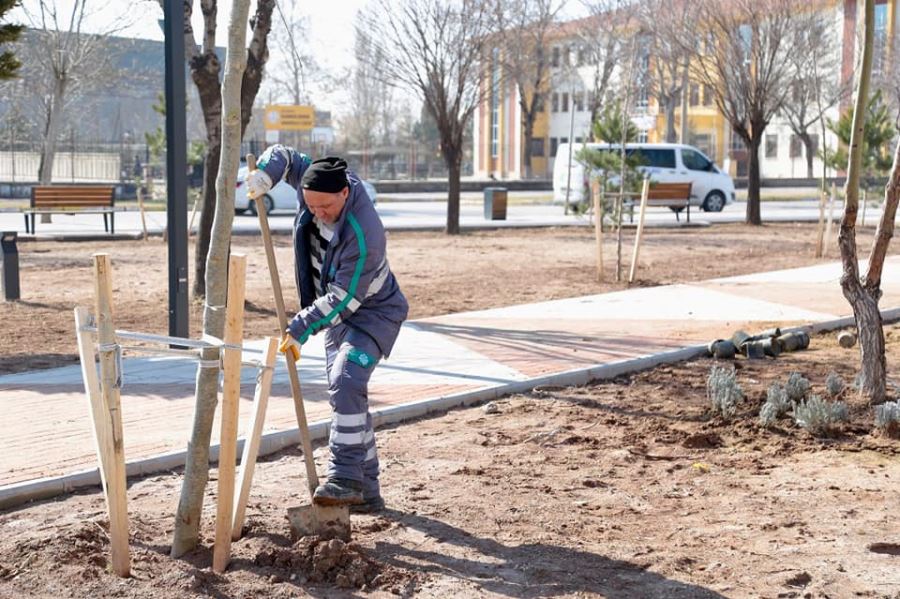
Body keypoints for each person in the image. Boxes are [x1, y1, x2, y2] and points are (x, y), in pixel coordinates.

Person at [247, 146, 408, 513]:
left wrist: (301, 325)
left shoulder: (365, 233)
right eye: (310, 206)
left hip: (373, 314)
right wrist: (266, 177)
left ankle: (346, 476)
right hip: (337, 318)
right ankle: (367, 491)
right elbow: (285, 155)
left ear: (345, 193)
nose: (317, 213)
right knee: (346, 394)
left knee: (347, 379)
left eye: (326, 208)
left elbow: (343, 299)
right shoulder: (316, 179)